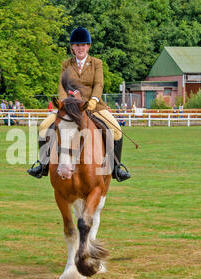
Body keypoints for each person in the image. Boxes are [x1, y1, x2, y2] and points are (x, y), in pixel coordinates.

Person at [27, 26, 130, 181]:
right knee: (43, 127)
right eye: (77, 45)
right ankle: (43, 165)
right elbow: (62, 86)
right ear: (72, 48)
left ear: (88, 46)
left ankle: (116, 168)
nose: (80, 48)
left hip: (94, 107)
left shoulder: (97, 63)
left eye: (83, 45)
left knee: (116, 131)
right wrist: (63, 103)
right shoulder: (66, 64)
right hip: (69, 108)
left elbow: (98, 84)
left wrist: (93, 101)